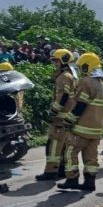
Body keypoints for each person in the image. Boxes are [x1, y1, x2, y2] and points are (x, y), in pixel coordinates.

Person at [57, 53, 103, 191]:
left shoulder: (86, 82)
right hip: (96, 129)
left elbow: (80, 105)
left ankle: (72, 179)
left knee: (70, 152)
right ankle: (89, 182)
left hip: (82, 128)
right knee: (91, 156)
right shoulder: (102, 85)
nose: (80, 70)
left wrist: (69, 120)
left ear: (87, 66)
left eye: (81, 67)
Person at [36, 49, 78, 181]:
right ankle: (61, 170)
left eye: (56, 61)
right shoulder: (71, 75)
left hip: (60, 117)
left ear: (63, 61)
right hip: (66, 116)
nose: (54, 63)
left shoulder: (64, 77)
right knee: (63, 144)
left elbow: (63, 96)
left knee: (54, 143)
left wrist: (53, 111)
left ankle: (51, 171)